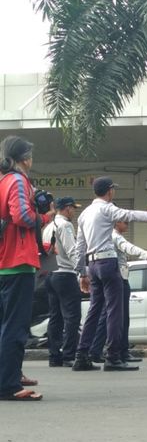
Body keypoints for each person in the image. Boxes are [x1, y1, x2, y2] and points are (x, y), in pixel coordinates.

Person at [72, 177, 147, 372]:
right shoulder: (106, 208)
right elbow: (130, 214)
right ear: (110, 191)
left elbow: (79, 247)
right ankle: (113, 357)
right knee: (114, 311)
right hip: (107, 262)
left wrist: (81, 273)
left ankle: (81, 356)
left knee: (94, 312)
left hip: (92, 265)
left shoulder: (84, 213)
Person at [0, 135, 54, 401]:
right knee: (15, 326)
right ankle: (9, 386)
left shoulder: (1, 180)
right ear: (25, 158)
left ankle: (8, 378)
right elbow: (21, 215)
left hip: (3, 263)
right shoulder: (19, 180)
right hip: (18, 262)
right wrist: (43, 217)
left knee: (4, 324)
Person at [88, 220, 147, 363]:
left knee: (111, 316)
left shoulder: (105, 236)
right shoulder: (114, 236)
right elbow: (128, 247)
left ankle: (112, 351)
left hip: (114, 276)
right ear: (115, 222)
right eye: (125, 222)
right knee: (117, 317)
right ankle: (115, 352)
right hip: (118, 278)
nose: (127, 224)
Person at [46, 197, 82, 368]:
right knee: (72, 316)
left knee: (55, 317)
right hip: (66, 275)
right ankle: (69, 355)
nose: (74, 212)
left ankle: (54, 356)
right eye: (73, 208)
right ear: (67, 209)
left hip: (50, 275)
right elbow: (72, 250)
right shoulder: (65, 225)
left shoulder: (48, 226)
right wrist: (83, 272)